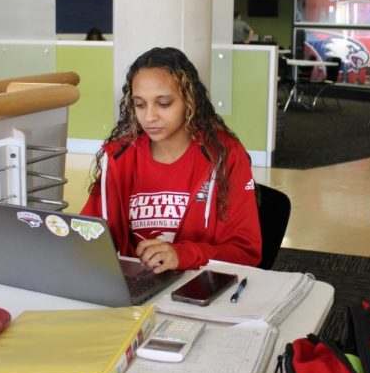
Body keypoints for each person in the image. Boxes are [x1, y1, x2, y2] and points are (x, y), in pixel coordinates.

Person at [80, 46, 261, 274]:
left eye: (164, 104)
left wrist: (182, 255)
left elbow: (246, 253)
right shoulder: (119, 157)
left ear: (190, 101)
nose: (149, 117)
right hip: (135, 291)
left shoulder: (225, 155)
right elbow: (87, 236)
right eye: (140, 104)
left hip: (199, 289)